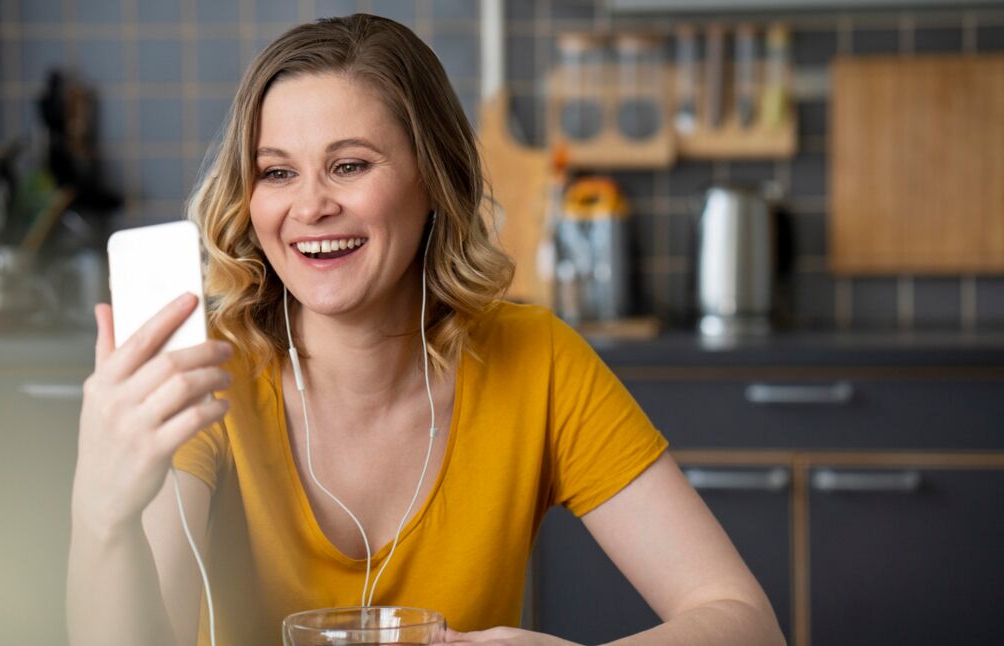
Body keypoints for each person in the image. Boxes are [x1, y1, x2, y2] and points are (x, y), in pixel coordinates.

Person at [67, 13, 784, 646]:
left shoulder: (536, 361)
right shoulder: (204, 374)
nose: (310, 206)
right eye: (277, 173)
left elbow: (743, 620)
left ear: (435, 179)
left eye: (349, 166)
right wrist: (102, 515)